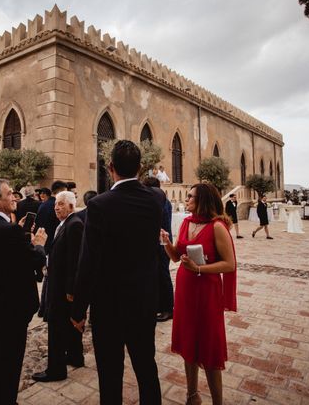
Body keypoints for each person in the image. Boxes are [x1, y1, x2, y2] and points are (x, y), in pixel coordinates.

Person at [71, 140, 165, 404]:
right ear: (141, 167)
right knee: (147, 367)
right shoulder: (156, 199)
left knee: (110, 374)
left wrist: (78, 309)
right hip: (144, 301)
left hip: (108, 305)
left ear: (110, 167)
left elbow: (88, 262)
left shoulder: (99, 205)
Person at [0, 179, 47, 405]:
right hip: (13, 309)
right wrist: (39, 244)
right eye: (9, 194)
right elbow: (32, 259)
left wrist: (21, 232)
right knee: (10, 364)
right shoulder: (8, 231)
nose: (14, 197)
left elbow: (8, 258)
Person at [161, 183, 237, 405]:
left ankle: (217, 401)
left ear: (203, 200)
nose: (186, 200)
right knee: (188, 343)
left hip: (207, 292)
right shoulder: (186, 223)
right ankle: (192, 395)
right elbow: (176, 257)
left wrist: (200, 269)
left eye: (191, 197)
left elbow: (229, 264)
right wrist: (166, 243)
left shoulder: (217, 227)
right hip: (186, 290)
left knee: (209, 347)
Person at [32, 191, 84, 382]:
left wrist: (71, 290)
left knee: (56, 327)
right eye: (56, 204)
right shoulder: (64, 224)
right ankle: (75, 356)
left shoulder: (75, 224)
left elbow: (75, 261)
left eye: (61, 204)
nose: (56, 207)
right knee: (68, 324)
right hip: (59, 283)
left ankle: (56, 369)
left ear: (71, 206)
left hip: (63, 287)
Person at [144, 176, 174, 322]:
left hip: (162, 244)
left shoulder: (160, 201)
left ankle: (168, 308)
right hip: (161, 243)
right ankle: (160, 306)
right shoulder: (162, 200)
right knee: (158, 275)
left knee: (163, 275)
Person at [36, 180, 68, 319]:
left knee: (47, 279)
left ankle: (44, 308)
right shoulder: (58, 206)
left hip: (43, 243)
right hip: (53, 245)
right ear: (60, 191)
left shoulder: (43, 205)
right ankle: (49, 309)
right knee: (51, 280)